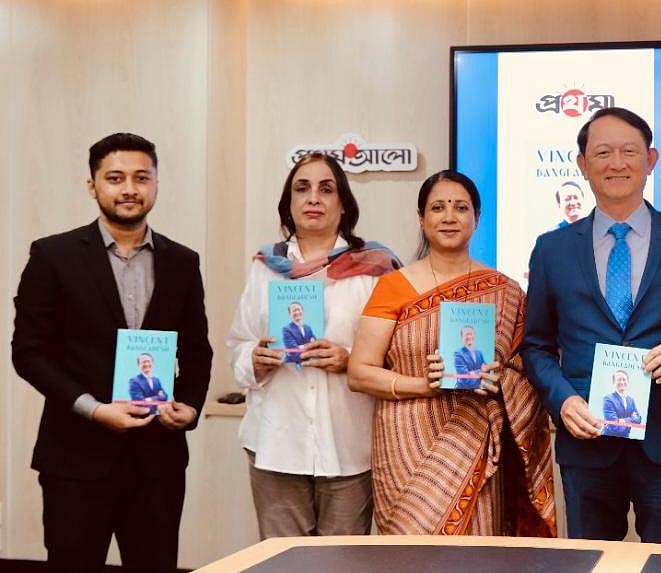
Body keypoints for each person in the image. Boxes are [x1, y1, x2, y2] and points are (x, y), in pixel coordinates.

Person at [522, 107, 661, 545]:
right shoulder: (552, 249)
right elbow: (537, 346)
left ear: (650, 160)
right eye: (602, 152)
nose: (616, 163)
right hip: (587, 440)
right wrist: (562, 402)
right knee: (592, 565)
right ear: (582, 164)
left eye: (629, 152)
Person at [12, 132, 213, 573]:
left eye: (142, 177)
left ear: (156, 184)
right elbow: (28, 352)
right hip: (76, 457)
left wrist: (192, 407)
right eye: (116, 177)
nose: (129, 189)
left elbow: (198, 350)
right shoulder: (53, 256)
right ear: (93, 185)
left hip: (158, 460)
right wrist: (93, 409)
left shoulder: (182, 261)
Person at [348, 170, 556, 537]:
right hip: (406, 445)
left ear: (476, 218)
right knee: (411, 558)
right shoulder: (393, 286)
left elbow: (529, 368)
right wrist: (422, 385)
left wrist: (500, 378)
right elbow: (360, 372)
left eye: (460, 208)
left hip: (476, 439)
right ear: (421, 218)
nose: (449, 217)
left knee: (476, 555)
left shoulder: (504, 291)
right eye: (438, 208)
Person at [227, 152, 400, 539]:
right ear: (289, 204)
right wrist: (253, 359)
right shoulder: (266, 267)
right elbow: (237, 342)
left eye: (327, 188)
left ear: (343, 205)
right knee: (282, 566)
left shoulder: (374, 269)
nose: (313, 198)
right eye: (301, 188)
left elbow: (399, 356)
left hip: (349, 448)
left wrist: (350, 360)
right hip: (275, 443)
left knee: (340, 567)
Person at [601, 370, 642, 438]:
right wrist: (631, 419)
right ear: (614, 382)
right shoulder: (608, 399)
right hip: (609, 436)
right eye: (619, 380)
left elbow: (638, 419)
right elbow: (613, 425)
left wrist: (622, 420)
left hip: (626, 437)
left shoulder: (631, 400)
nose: (622, 382)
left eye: (624, 379)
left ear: (628, 382)